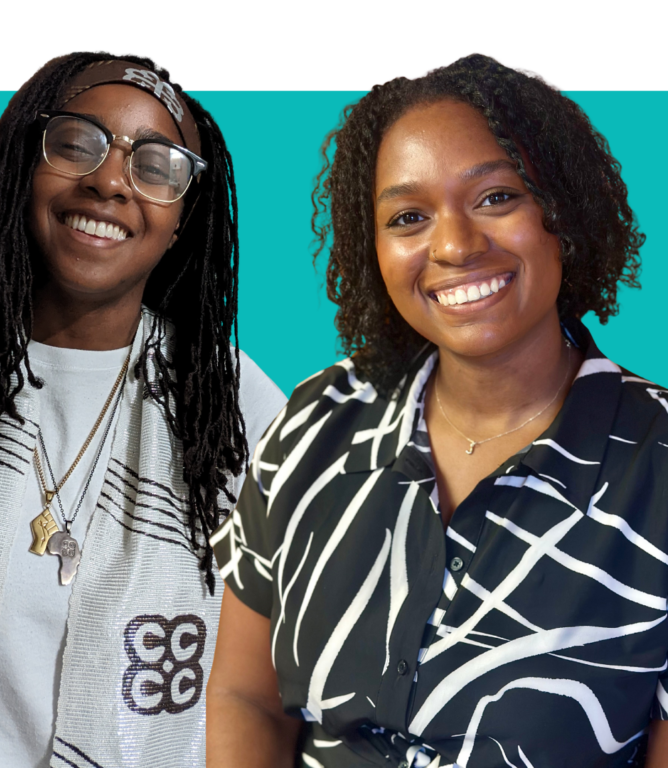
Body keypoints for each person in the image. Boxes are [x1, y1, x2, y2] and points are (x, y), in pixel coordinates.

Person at [207, 54, 668, 767]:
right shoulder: (316, 422)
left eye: (495, 198)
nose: (453, 245)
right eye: (410, 216)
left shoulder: (655, 463)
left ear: (562, 213)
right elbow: (246, 698)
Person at [0, 52, 286, 768]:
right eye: (76, 144)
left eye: (157, 166)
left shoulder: (235, 412)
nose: (109, 180)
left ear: (183, 219)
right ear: (22, 167)